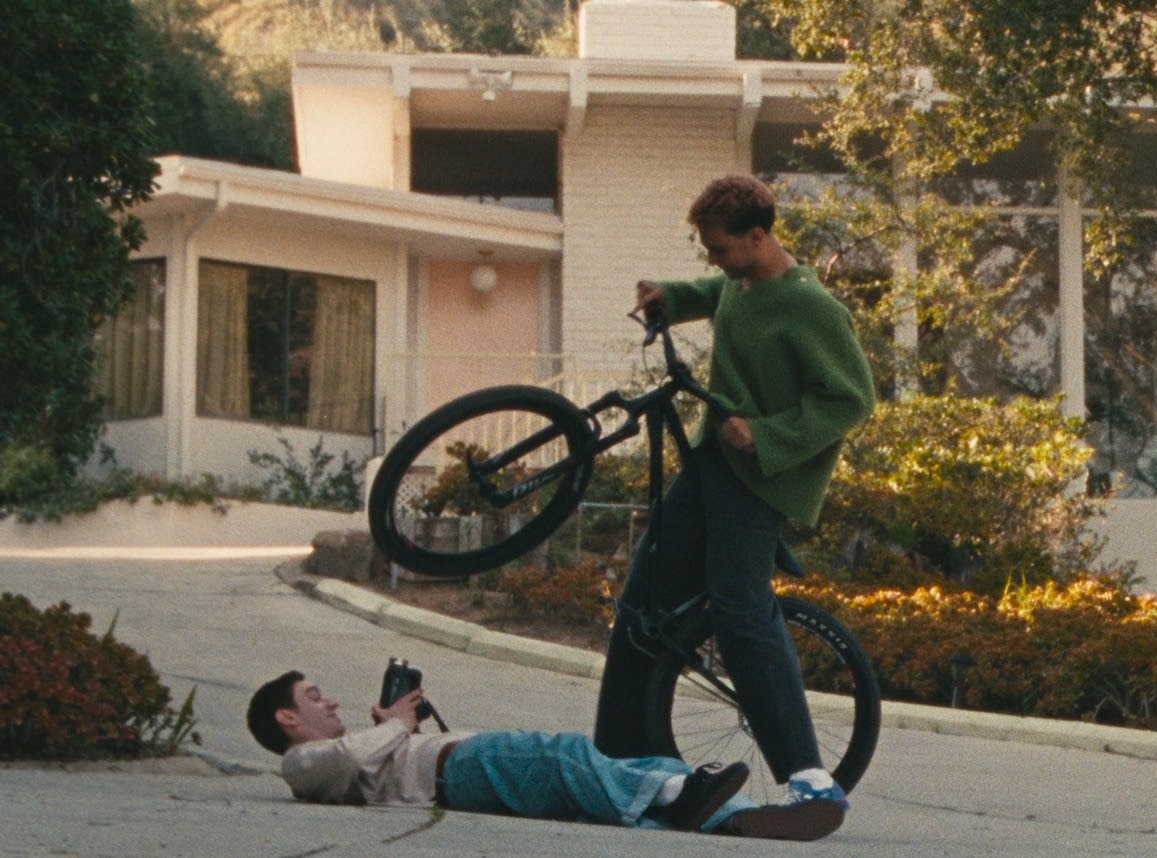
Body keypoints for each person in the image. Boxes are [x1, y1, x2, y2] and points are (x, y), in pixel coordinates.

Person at [594, 174, 875, 836]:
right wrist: (671, 296)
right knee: (643, 601)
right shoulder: (740, 281)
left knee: (739, 606)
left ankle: (811, 780)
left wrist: (768, 434)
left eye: (719, 248)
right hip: (711, 463)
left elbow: (852, 399)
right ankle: (616, 760)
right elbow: (716, 293)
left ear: (758, 237)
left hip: (762, 477)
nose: (713, 260)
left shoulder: (812, 308)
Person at [245, 670, 840, 840]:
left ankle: (738, 815)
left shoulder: (351, 742)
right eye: (314, 697)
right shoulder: (299, 761)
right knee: (568, 758)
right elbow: (344, 765)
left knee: (616, 772)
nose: (331, 701)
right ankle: (693, 800)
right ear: (287, 719)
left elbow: (359, 755)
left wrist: (390, 725)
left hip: (465, 764)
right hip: (457, 770)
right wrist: (397, 724)